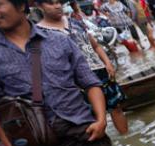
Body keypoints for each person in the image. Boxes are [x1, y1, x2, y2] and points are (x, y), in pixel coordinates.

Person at [0, 0, 130, 146]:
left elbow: (90, 83)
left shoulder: (59, 41)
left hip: (82, 122)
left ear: (20, 6)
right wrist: (9, 143)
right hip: (42, 135)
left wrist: (101, 119)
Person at [36, 0, 129, 134]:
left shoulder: (75, 22)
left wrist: (107, 63)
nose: (57, 6)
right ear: (40, 6)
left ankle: (127, 138)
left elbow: (95, 45)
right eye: (50, 3)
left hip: (99, 71)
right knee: (91, 117)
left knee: (116, 106)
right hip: (75, 81)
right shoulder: (41, 32)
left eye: (58, 2)